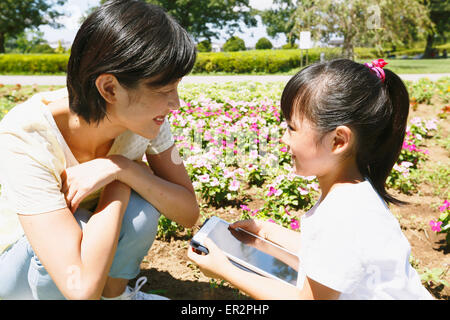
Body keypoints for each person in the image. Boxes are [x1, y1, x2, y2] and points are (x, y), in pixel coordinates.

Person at [0, 0, 199, 300]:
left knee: (141, 211)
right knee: (81, 225)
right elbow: (80, 288)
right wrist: (120, 183)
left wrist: (120, 168)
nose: (176, 104)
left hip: (87, 263)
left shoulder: (146, 121)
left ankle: (117, 297)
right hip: (16, 266)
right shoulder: (26, 134)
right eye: (163, 91)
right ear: (109, 88)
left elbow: (187, 212)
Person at [188, 58, 434, 300]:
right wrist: (267, 232)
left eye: (291, 127)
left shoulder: (341, 214)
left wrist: (225, 269)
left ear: (337, 141)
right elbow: (326, 257)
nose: (284, 138)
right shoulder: (353, 194)